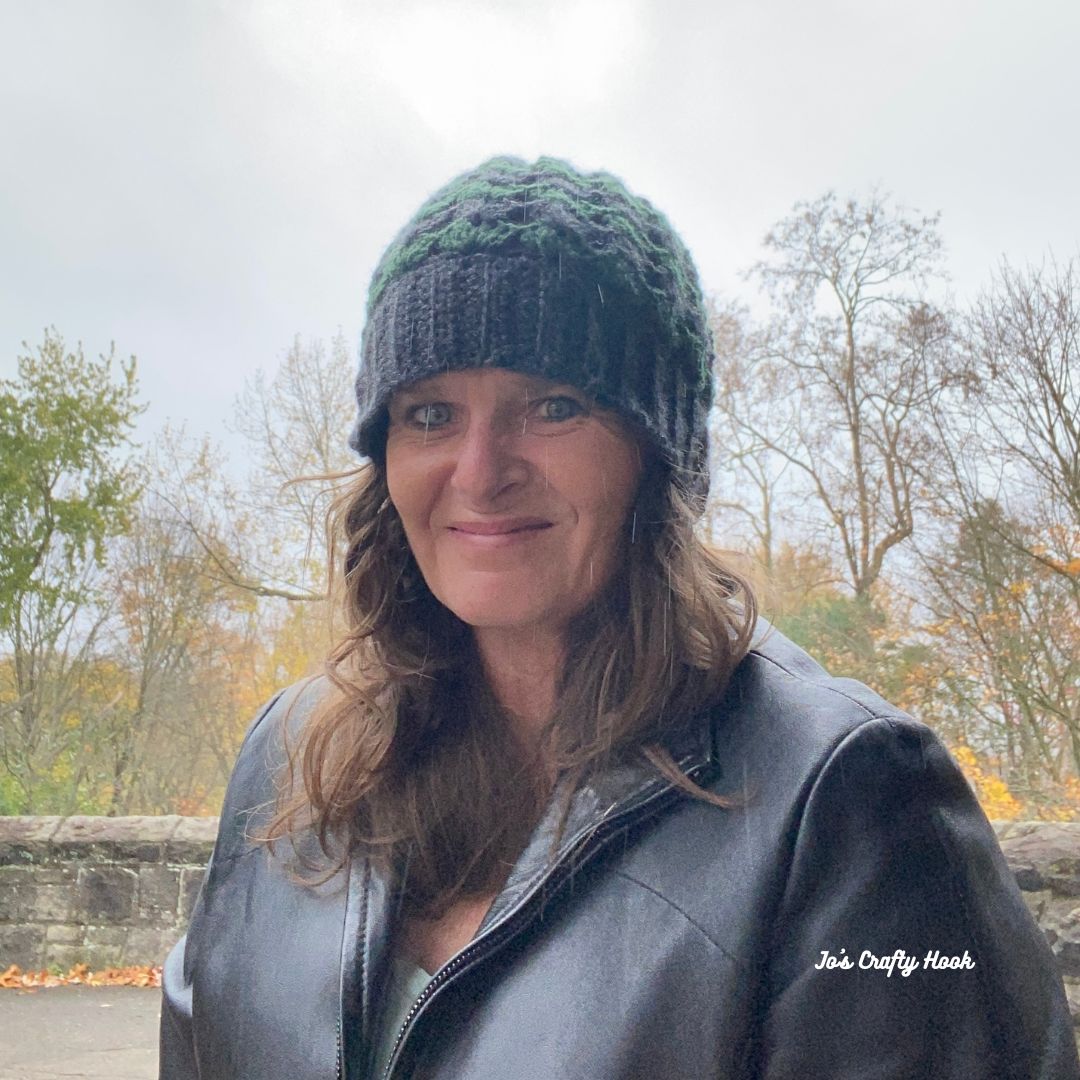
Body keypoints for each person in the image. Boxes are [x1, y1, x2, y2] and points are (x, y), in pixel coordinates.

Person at [160, 155, 1078, 1079]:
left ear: (657, 453)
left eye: (553, 406)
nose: (480, 472)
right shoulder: (289, 762)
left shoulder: (850, 806)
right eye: (431, 413)